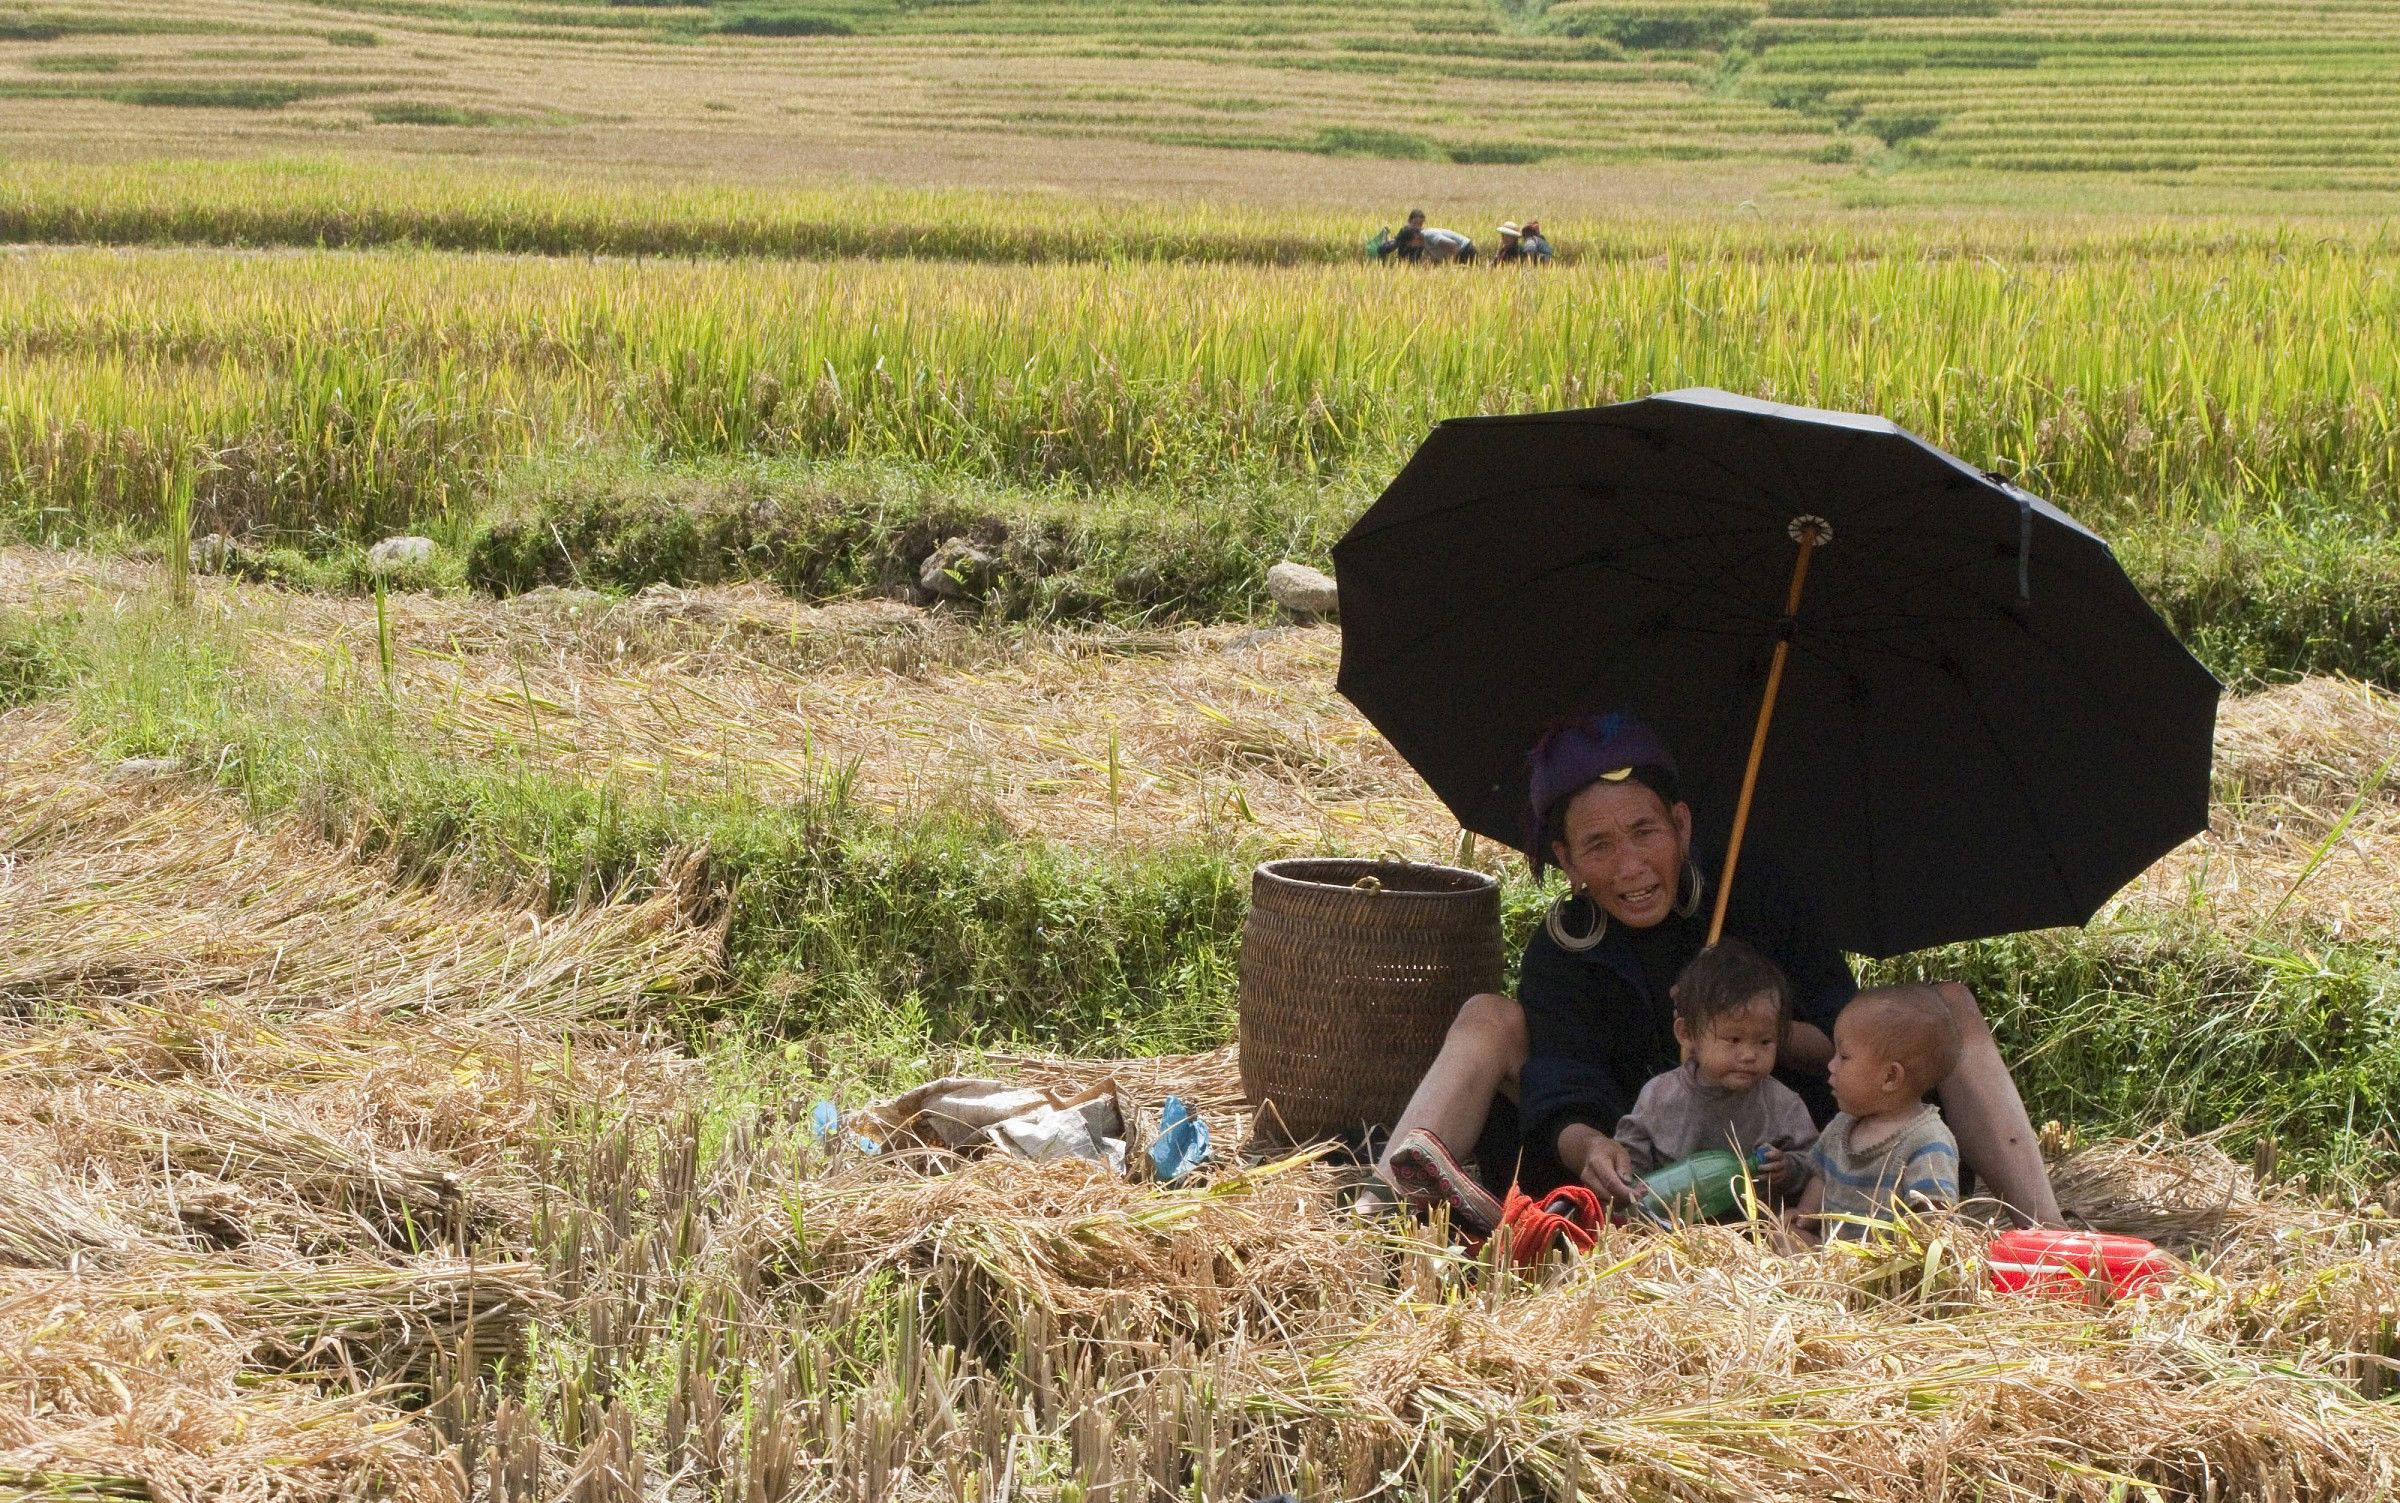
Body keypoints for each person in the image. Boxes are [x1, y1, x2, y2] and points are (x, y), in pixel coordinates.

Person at [1374, 711, 2062, 1233]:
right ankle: (1372, 1218)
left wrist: (1749, 1031)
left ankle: (2050, 1229)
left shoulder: (1753, 889)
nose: (1632, 866)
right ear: (1569, 860)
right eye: (1599, 846)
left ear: (1681, 823)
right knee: (1486, 1016)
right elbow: (1562, 1078)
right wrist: (1592, 1145)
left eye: (1646, 831)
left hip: (1786, 1155)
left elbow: (1841, 1027)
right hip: (1641, 1165)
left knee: (1950, 1004)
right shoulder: (1565, 950)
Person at [1612, 938, 1816, 1184]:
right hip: (1672, 1219)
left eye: (1765, 1042)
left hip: (1755, 1220)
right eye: (1733, 1039)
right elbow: (1630, 1162)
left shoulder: (1782, 1104)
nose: (1749, 1054)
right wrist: (1626, 1184)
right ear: (1687, 1034)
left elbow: (1816, 1163)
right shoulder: (1659, 1096)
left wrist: (1789, 1168)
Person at [1786, 989, 1964, 1242]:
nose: (1831, 1065)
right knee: (1783, 1236)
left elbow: (1933, 1216)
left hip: (1886, 1266)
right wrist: (1806, 1212)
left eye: (1844, 1057)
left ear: (1889, 1077)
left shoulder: (1927, 1141)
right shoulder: (1842, 1125)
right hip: (1833, 1260)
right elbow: (1822, 1176)